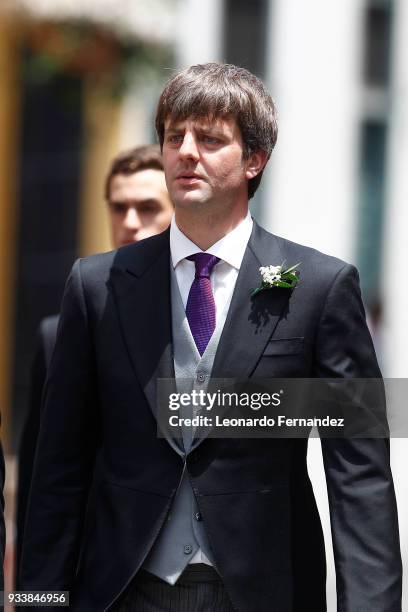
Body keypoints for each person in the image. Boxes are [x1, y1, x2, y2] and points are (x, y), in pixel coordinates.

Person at [20, 63, 402, 611]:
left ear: (254, 159)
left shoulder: (321, 286)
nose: (186, 152)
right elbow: (58, 471)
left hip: (262, 592)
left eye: (210, 138)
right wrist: (38, 602)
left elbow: (360, 476)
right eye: (175, 137)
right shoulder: (96, 285)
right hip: (121, 591)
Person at [16, 144, 173, 583]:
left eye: (147, 208)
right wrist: (33, 599)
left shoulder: (217, 322)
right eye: (118, 208)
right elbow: (40, 489)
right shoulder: (58, 335)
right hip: (98, 582)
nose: (129, 223)